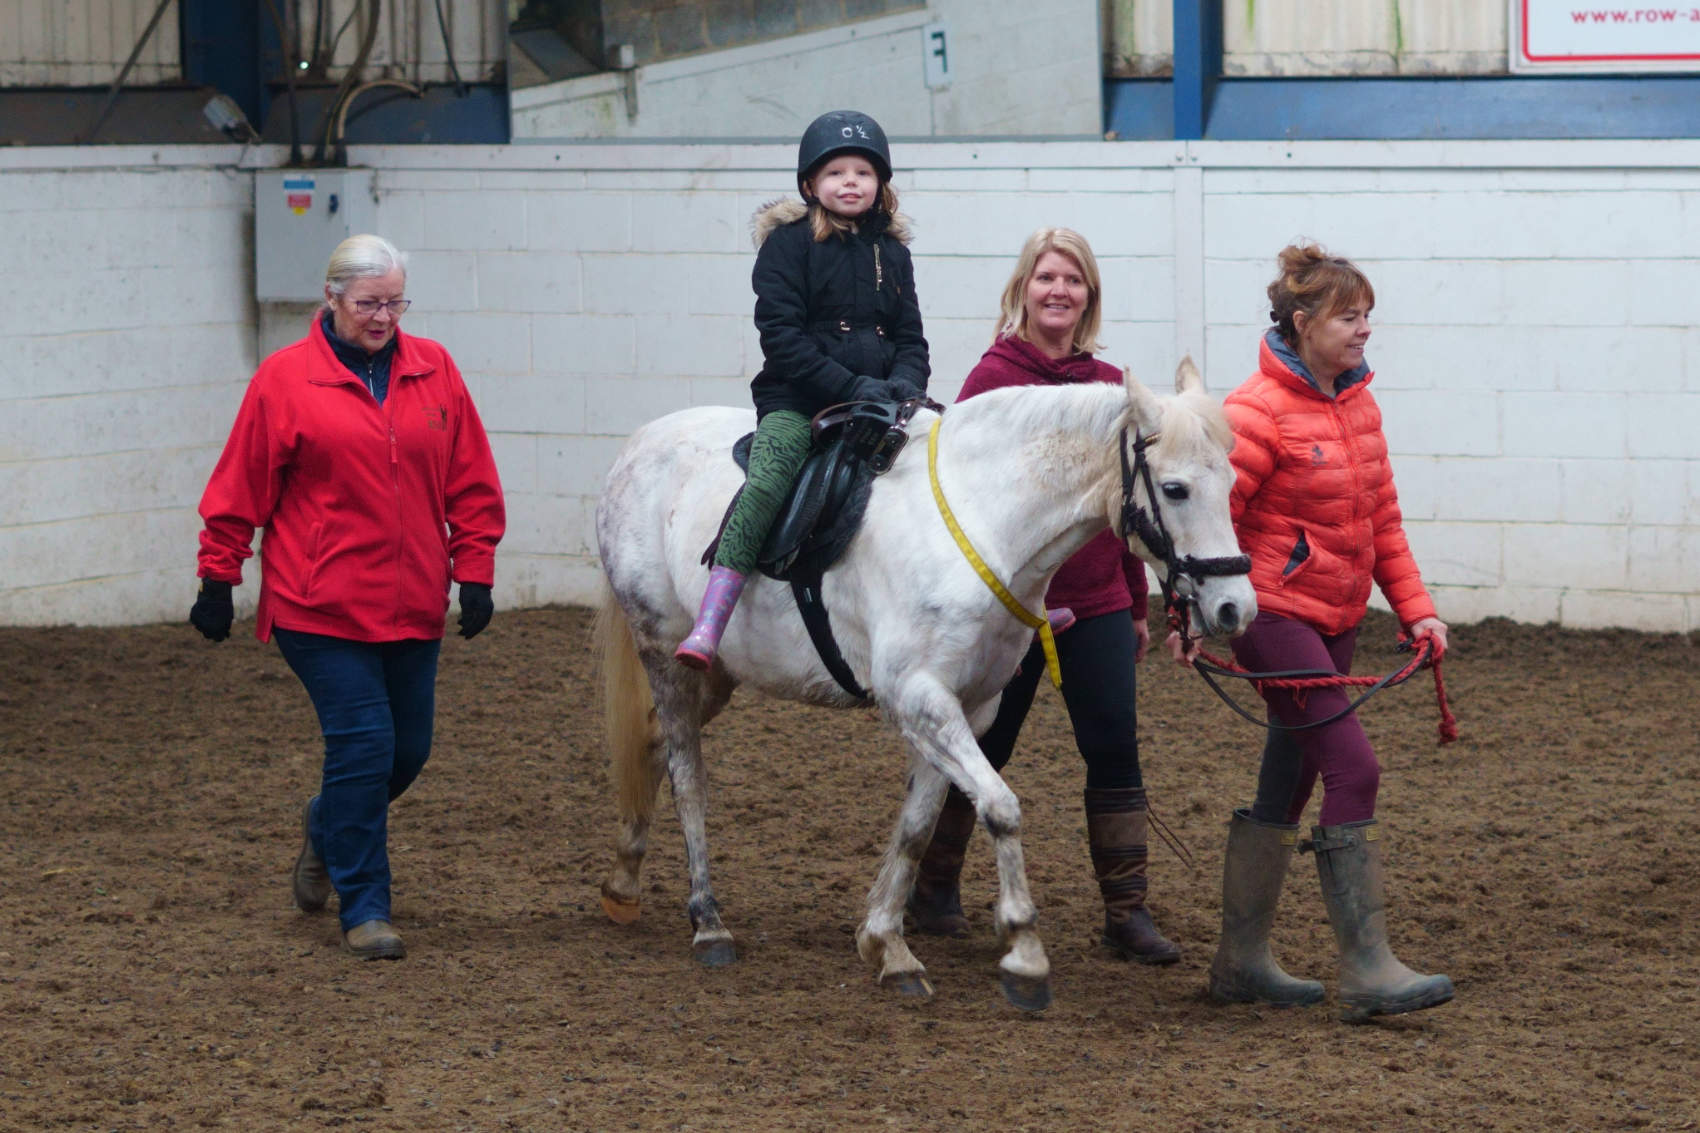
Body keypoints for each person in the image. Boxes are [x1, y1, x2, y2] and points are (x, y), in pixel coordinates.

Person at [189, 234, 505, 962]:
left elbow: (471, 480)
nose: (384, 317)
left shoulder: (436, 371)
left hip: (413, 601)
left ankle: (327, 822)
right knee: (364, 744)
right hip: (318, 604)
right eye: (368, 303)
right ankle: (366, 907)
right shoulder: (285, 379)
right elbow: (241, 484)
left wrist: (476, 566)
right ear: (331, 300)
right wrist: (219, 574)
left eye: (395, 302)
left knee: (410, 750)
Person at [1178, 242, 1453, 1021]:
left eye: (1368, 314)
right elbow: (1211, 523)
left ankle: (1240, 962)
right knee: (1353, 769)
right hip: (1272, 614)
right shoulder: (1254, 413)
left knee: (1290, 776)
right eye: (1349, 316)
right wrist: (1193, 612)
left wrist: (1416, 608)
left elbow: (1382, 521)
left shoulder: (1359, 403)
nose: (1366, 329)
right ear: (1304, 323)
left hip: (1335, 616)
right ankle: (1368, 968)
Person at [905, 227, 1180, 964]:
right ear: (1023, 287)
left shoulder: (1113, 387)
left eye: (1074, 280)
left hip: (1090, 601)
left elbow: (1130, 505)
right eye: (1046, 277)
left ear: (1089, 295)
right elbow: (947, 493)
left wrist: (1131, 600)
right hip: (1003, 609)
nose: (1059, 291)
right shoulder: (993, 380)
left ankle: (1127, 911)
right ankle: (933, 891)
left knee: (1114, 745)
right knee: (986, 744)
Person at [674, 109, 929, 668]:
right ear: (811, 185)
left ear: (880, 185)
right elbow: (782, 339)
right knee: (769, 480)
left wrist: (906, 386)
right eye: (836, 172)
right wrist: (853, 385)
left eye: (863, 172)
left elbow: (911, 336)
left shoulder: (896, 254)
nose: (850, 182)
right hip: (800, 402)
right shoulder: (787, 247)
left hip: (882, 403)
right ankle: (712, 618)